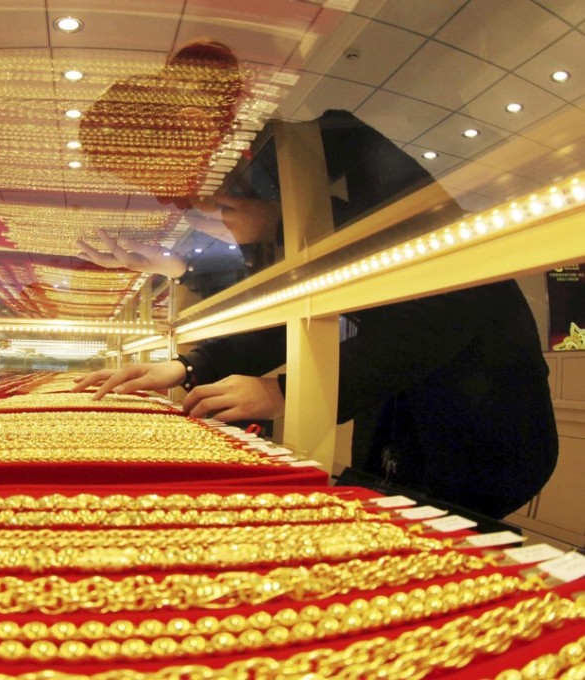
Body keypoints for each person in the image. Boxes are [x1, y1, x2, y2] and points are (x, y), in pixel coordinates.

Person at [73, 109, 559, 520]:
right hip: (395, 413)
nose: (164, 196)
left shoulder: (327, 145)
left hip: (477, 420)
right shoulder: (258, 181)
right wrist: (186, 365)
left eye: (147, 169)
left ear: (189, 126)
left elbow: (444, 303)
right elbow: (286, 308)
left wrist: (282, 389)